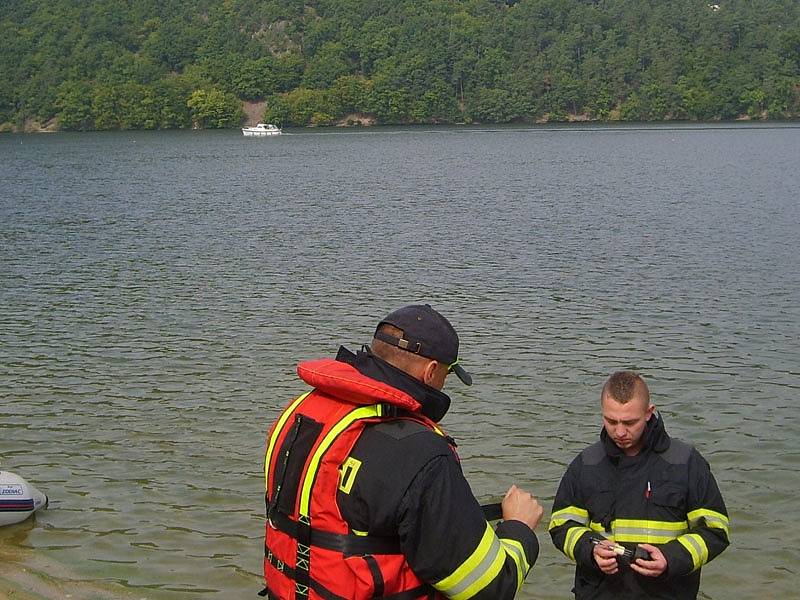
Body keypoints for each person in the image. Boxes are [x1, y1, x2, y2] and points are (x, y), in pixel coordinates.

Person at [261, 304, 543, 600]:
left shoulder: (299, 413)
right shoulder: (422, 453)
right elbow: (490, 588)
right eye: (446, 374)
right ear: (431, 372)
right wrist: (518, 528)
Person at [549, 371, 730, 599]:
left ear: (648, 413)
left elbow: (716, 530)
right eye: (611, 421)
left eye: (629, 422)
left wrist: (671, 558)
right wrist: (590, 549)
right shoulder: (586, 463)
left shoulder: (685, 463)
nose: (620, 432)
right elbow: (560, 525)